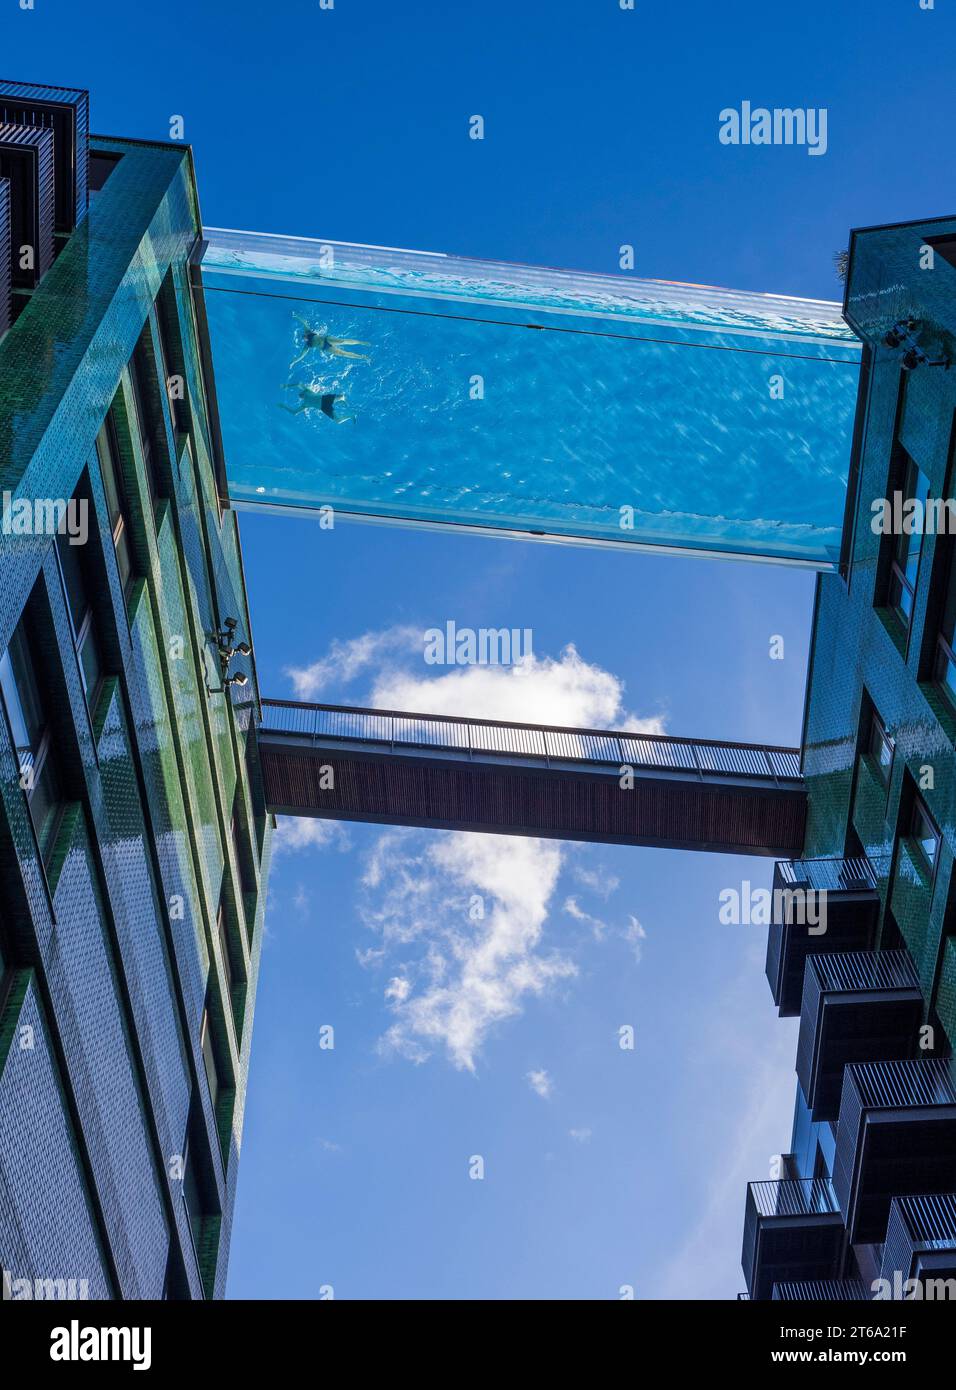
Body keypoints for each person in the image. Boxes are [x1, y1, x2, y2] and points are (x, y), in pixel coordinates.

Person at [291, 314, 370, 365]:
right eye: (304, 339)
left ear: (305, 335)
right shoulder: (307, 346)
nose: (304, 338)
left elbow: (304, 323)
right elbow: (301, 355)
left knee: (342, 341)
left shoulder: (308, 332)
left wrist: (296, 316)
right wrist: (294, 362)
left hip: (326, 339)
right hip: (326, 348)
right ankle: (361, 357)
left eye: (304, 337)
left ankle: (361, 342)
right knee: (343, 354)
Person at [279, 383, 353, 421]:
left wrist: (286, 386)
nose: (300, 395)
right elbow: (294, 412)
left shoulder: (308, 391)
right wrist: (283, 406)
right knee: (338, 420)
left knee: (342, 396)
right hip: (324, 407)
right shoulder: (305, 404)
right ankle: (351, 416)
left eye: (300, 393)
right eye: (300, 395)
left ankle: (342, 400)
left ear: (302, 392)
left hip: (325, 399)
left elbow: (298, 384)